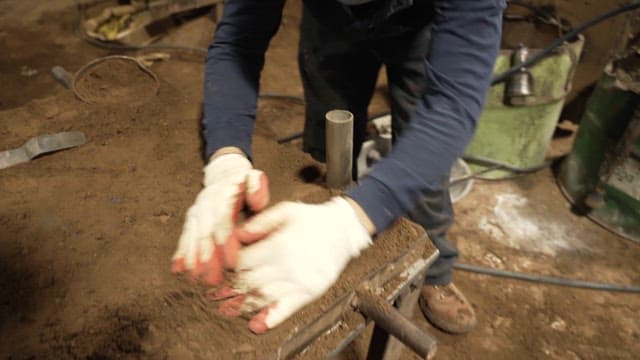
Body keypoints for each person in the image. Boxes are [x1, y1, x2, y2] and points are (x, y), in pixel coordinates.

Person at [171, 0, 505, 335]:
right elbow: (238, 44)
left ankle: (435, 271)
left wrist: (348, 225)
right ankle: (316, 241)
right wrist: (227, 160)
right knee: (322, 157)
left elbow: (453, 103)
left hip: (422, 28)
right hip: (330, 25)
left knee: (424, 173)